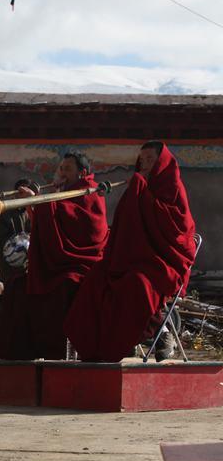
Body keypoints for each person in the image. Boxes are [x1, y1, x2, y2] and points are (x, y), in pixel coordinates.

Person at [64, 142, 196, 362]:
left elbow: (179, 229)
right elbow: (123, 225)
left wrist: (143, 194)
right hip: (131, 259)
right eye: (141, 160)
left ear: (162, 162)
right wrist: (138, 191)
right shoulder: (137, 187)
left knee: (137, 285)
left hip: (161, 262)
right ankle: (101, 348)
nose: (144, 164)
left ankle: (160, 332)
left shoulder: (171, 186)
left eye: (150, 160)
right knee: (97, 279)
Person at [12, 151, 108, 360]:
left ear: (82, 173)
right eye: (61, 168)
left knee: (63, 286)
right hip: (62, 262)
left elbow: (88, 228)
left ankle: (60, 351)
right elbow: (48, 224)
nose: (62, 173)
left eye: (68, 169)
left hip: (80, 264)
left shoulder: (89, 193)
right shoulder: (63, 193)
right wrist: (32, 204)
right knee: (19, 286)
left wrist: (38, 201)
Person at [0, 179, 35, 360]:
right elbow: (4, 244)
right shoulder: (5, 215)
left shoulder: (32, 211)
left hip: (30, 271)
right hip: (11, 270)